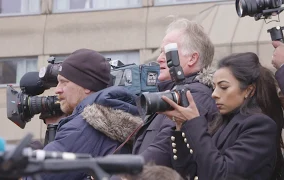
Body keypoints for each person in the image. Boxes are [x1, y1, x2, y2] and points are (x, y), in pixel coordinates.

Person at [163, 52, 284, 180]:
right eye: (214, 87)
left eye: (223, 87)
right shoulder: (219, 121)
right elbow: (189, 173)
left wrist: (194, 123)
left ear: (249, 90)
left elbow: (222, 175)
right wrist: (180, 127)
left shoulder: (260, 126)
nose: (214, 94)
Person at [36, 49, 143, 180]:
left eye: (64, 82)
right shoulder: (117, 113)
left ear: (87, 86)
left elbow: (39, 174)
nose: (57, 90)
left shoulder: (81, 128)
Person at [131, 18, 218, 168]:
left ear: (192, 58)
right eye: (160, 52)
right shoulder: (172, 92)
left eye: (167, 53)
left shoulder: (194, 96)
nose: (159, 59)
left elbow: (162, 151)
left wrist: (120, 175)